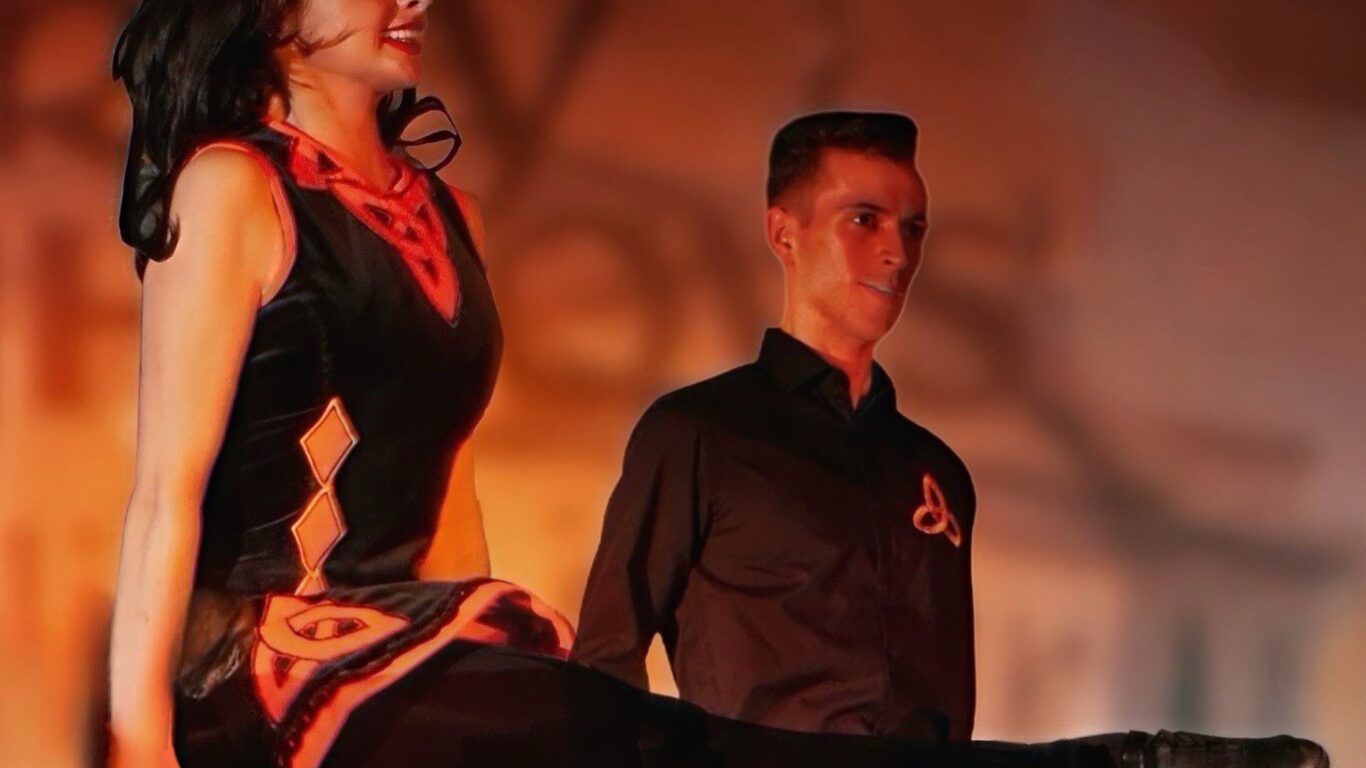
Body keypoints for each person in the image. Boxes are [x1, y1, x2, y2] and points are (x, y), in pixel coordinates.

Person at [105, 1, 645, 766]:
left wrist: (486, 661)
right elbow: (166, 492)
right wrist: (137, 738)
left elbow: (449, 502)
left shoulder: (454, 216)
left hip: (408, 655)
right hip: (253, 659)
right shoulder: (231, 186)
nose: (414, 0)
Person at [573, 111, 977, 740]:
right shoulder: (697, 434)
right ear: (784, 234)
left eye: (913, 228)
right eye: (863, 220)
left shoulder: (938, 473)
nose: (897, 253)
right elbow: (604, 665)